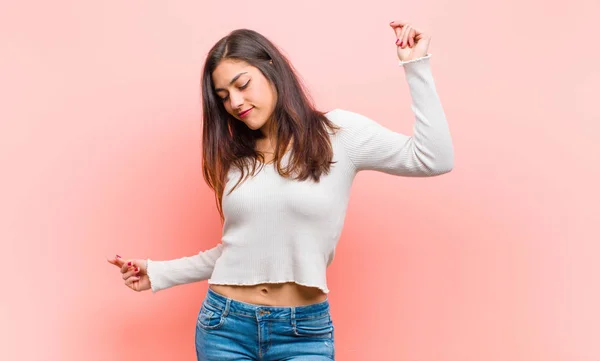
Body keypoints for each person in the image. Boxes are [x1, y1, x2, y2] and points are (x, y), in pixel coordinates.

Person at [108, 20, 454, 361]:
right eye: (224, 96)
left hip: (304, 332)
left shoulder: (340, 133)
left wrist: (415, 67)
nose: (235, 102)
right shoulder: (236, 159)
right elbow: (240, 248)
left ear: (271, 68)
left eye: (242, 84)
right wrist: (160, 272)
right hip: (225, 327)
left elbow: (434, 158)